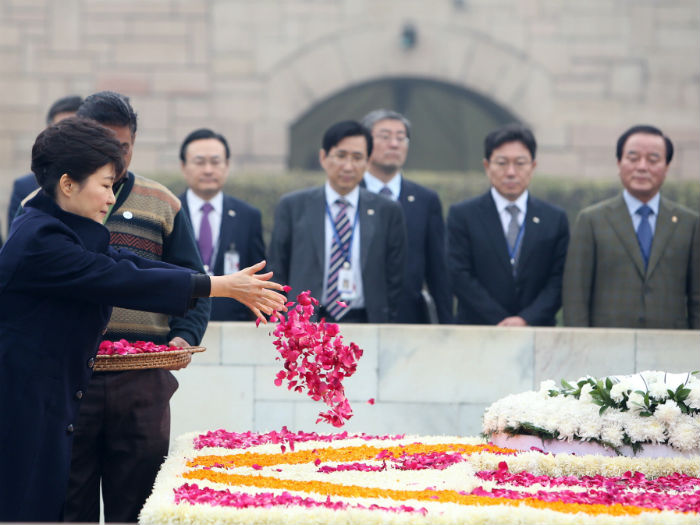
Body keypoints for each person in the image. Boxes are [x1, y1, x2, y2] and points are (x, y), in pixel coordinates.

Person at [0, 117, 284, 522]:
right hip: (25, 404)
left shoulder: (62, 227)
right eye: (104, 185)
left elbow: (126, 261)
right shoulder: (40, 240)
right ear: (67, 184)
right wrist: (219, 286)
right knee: (30, 508)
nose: (111, 197)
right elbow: (118, 279)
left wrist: (214, 283)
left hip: (50, 399)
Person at [62, 91, 206, 523]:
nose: (115, 157)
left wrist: (183, 337)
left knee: (140, 505)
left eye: (123, 147)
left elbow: (193, 281)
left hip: (143, 380)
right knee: (70, 503)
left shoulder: (162, 202)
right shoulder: (52, 205)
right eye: (104, 146)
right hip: (71, 378)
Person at [269, 120, 407, 323]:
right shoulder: (293, 206)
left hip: (366, 321)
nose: (348, 166)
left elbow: (395, 277)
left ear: (368, 162)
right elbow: (277, 270)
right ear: (324, 157)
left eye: (357, 157)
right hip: (307, 323)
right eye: (341, 156)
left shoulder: (387, 210)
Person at [563, 124, 700, 328]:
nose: (642, 167)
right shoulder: (591, 220)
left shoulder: (689, 223)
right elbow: (576, 296)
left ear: (666, 167)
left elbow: (697, 297)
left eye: (653, 160)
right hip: (607, 343)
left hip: (669, 346)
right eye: (633, 158)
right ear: (619, 163)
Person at [447, 123, 569, 326]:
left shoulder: (554, 219)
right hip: (478, 330)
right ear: (487, 166)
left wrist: (526, 319)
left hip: (537, 332)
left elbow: (559, 280)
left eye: (520, 163)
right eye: (502, 163)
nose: (511, 172)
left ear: (533, 166)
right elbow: (459, 275)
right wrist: (501, 320)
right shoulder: (463, 215)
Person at [360, 109, 452, 324]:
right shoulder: (349, 194)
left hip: (408, 317)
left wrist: (447, 326)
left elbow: (438, 270)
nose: (394, 144)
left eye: (401, 138)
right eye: (385, 137)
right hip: (355, 315)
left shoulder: (425, 199)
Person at [178, 128, 266, 321]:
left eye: (216, 162)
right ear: (183, 166)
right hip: (178, 326)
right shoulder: (170, 211)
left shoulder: (247, 216)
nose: (208, 169)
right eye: (200, 162)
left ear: (226, 165)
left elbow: (258, 277)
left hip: (233, 326)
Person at [7, 95, 83, 227]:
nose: (69, 137)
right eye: (61, 129)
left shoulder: (97, 186)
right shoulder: (25, 187)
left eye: (76, 130)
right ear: (48, 131)